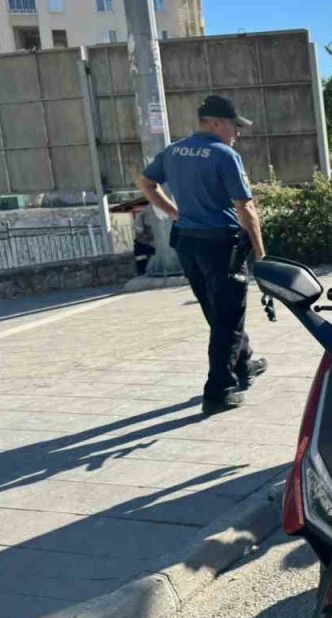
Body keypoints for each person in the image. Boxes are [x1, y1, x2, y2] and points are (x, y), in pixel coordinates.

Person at [135, 95, 267, 416]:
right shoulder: (224, 155)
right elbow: (245, 206)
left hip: (188, 243)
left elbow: (145, 182)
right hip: (221, 244)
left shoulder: (174, 150)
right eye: (233, 126)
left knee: (216, 308)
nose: (235, 133)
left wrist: (175, 213)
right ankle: (219, 390)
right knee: (226, 316)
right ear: (213, 123)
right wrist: (260, 252)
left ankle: (244, 362)